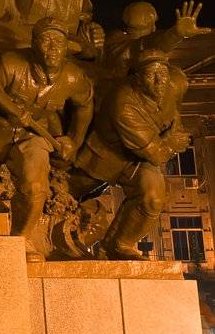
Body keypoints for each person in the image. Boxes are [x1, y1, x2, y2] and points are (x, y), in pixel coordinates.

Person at [0, 19, 94, 257]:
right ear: (33, 45)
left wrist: (74, 140)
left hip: (34, 136)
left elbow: (85, 105)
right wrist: (4, 119)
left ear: (67, 47)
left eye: (59, 42)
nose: (53, 47)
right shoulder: (9, 64)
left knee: (35, 187)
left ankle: (21, 239)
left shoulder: (72, 77)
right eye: (46, 40)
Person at [69, 46, 190, 259]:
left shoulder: (176, 82)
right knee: (68, 194)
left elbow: (173, 112)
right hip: (106, 158)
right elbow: (157, 155)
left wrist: (174, 130)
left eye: (162, 73)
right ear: (136, 79)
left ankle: (116, 245)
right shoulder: (123, 102)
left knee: (152, 198)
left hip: (143, 154)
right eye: (150, 75)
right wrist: (172, 141)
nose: (159, 80)